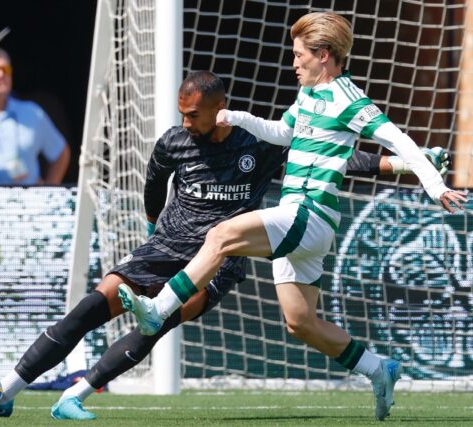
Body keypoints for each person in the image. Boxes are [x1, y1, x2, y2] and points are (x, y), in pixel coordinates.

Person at [0, 70, 449, 419]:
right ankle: (6, 395)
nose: (186, 122)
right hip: (168, 244)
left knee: (158, 321)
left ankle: (75, 394)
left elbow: (342, 162)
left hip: (217, 259)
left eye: (195, 114)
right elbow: (153, 187)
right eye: (181, 113)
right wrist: (158, 227)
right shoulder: (174, 142)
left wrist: (404, 164)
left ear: (221, 110)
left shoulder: (259, 143)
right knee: (92, 305)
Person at [119, 13, 467, 422]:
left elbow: (400, 141)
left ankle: (158, 309)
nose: (294, 63)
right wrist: (238, 118)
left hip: (308, 213)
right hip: (298, 219)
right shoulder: (307, 95)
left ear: (323, 55)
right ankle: (378, 369)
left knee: (221, 235)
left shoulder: (348, 100)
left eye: (300, 55)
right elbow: (283, 134)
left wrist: (434, 185)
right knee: (300, 321)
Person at [0, 48, 70, 185]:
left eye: (5, 70)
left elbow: (60, 153)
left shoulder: (32, 111)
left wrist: (49, 189)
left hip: (28, 201)